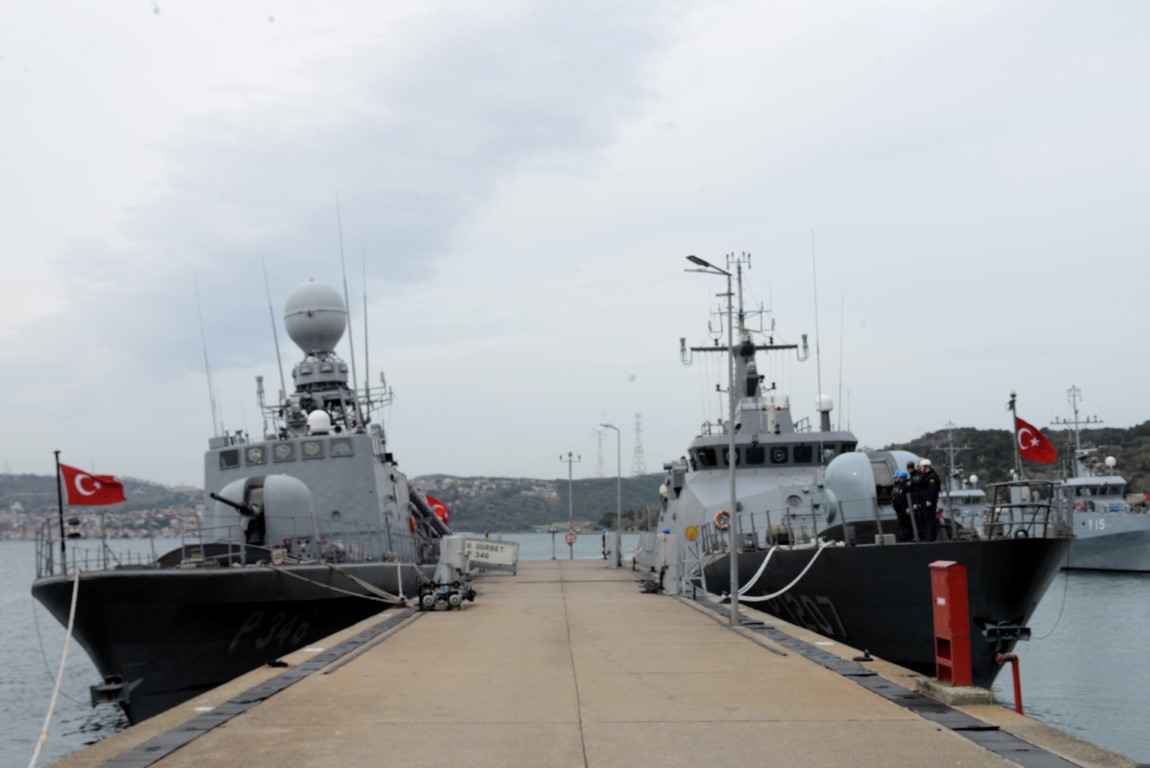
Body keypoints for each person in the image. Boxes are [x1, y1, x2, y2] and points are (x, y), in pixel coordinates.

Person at [911, 458, 941, 541]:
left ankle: (930, 536)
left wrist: (929, 500)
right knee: (924, 519)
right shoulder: (925, 476)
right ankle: (925, 535)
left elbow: (932, 489)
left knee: (930, 519)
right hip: (923, 501)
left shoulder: (932, 476)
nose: (920, 469)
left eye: (921, 467)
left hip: (929, 502)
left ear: (926, 467)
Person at [891, 469, 913, 542]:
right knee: (901, 523)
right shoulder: (896, 485)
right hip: (898, 508)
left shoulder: (906, 485)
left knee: (906, 523)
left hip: (904, 508)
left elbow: (908, 497)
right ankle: (903, 536)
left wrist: (907, 507)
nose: (896, 479)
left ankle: (907, 536)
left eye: (897, 477)